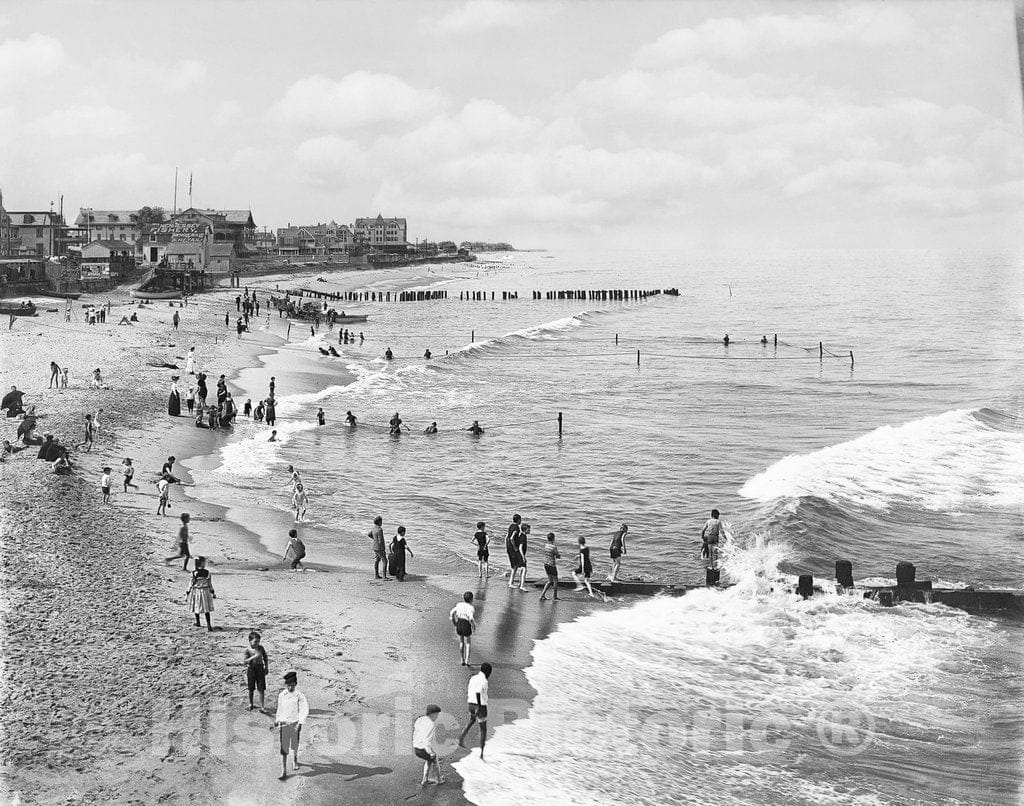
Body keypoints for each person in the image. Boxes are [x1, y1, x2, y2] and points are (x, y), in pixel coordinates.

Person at [272, 670, 309, 780]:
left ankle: (295, 760)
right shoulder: (282, 695)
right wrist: (277, 720)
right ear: (286, 685)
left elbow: (304, 709)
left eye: (292, 685)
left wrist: (301, 722)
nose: (290, 688)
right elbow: (280, 709)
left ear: (295, 684)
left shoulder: (300, 696)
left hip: (295, 724)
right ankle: (283, 770)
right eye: (288, 685)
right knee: (284, 748)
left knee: (295, 745)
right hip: (284, 724)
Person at [458, 662, 491, 759]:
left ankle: (461, 737)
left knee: (472, 720)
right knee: (483, 729)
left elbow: (470, 690)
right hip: (479, 706)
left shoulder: (473, 678)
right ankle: (482, 753)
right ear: (488, 672)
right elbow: (478, 692)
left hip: (470, 704)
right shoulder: (484, 681)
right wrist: (480, 706)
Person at [412, 705, 445, 787]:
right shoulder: (431, 725)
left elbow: (416, 729)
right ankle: (439, 780)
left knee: (429, 761)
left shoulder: (420, 719)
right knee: (434, 760)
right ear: (432, 714)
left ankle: (425, 780)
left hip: (416, 747)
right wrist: (430, 752)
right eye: (437, 714)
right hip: (423, 748)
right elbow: (427, 741)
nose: (437, 716)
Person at [186, 556, 215, 631]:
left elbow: (190, 584)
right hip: (205, 592)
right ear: (201, 563)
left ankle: (198, 622)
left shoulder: (194, 573)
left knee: (196, 607)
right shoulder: (207, 572)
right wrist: (213, 592)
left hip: (197, 592)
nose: (204, 563)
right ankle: (209, 625)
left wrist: (187, 593)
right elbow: (210, 584)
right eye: (204, 562)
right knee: (206, 609)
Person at [450, 591, 478, 666]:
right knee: (468, 643)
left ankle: (462, 659)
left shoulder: (459, 605)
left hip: (459, 623)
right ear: (471, 599)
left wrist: (454, 621)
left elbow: (452, 612)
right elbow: (471, 618)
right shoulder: (471, 608)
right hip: (466, 624)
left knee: (461, 642)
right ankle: (467, 660)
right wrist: (474, 626)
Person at [244, 631, 270, 711]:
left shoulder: (261, 648)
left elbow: (265, 657)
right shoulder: (247, 650)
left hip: (260, 669)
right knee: (251, 688)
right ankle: (251, 704)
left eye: (258, 641)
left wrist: (266, 667)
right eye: (255, 641)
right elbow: (245, 661)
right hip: (251, 669)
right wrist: (254, 657)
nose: (257, 643)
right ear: (250, 641)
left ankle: (262, 706)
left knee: (261, 688)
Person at [539, 532, 560, 601]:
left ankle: (542, 595)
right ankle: (554, 597)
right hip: (552, 565)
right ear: (553, 538)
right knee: (555, 580)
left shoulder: (546, 545)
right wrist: (558, 555)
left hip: (546, 564)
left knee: (549, 581)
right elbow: (558, 556)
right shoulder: (554, 547)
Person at [506, 515, 524, 589]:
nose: (521, 521)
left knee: (514, 565)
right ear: (518, 520)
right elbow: (511, 538)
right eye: (520, 520)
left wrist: (507, 546)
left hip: (509, 547)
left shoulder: (510, 526)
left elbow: (506, 537)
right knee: (515, 565)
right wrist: (515, 547)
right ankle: (511, 582)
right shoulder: (516, 528)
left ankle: (511, 581)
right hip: (513, 549)